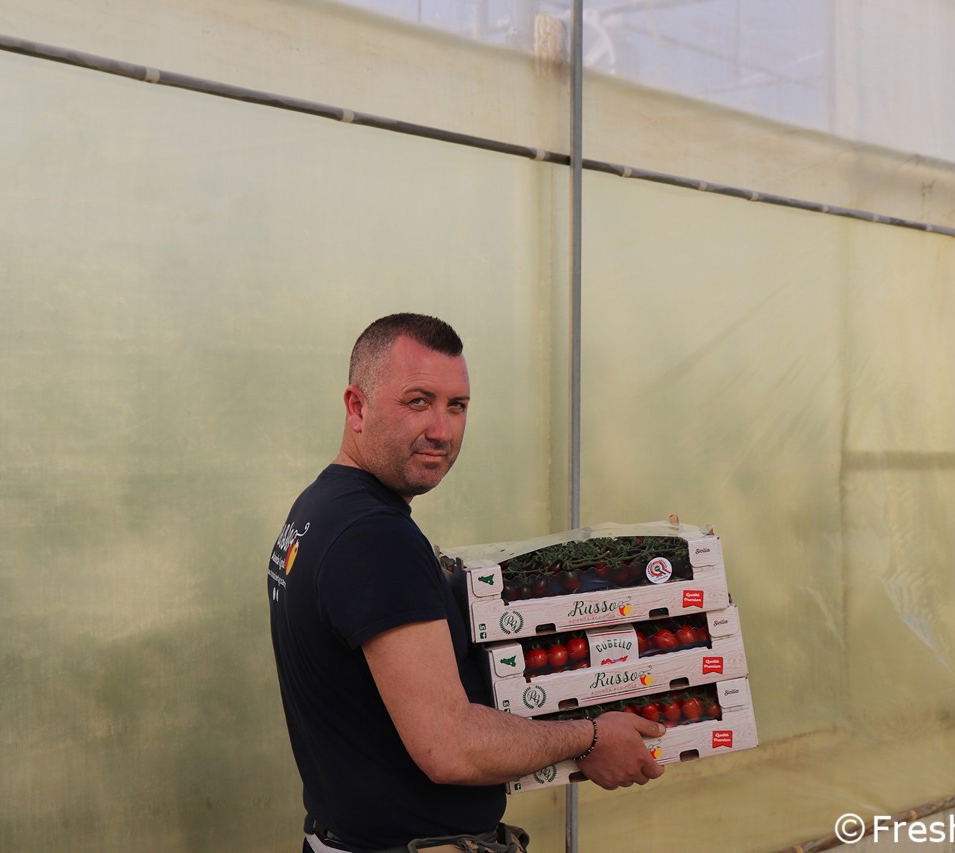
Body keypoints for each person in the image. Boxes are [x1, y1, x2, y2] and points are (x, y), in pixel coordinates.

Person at [267, 313, 665, 853]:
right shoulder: (375, 536)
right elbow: (450, 747)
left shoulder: (319, 508)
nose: (442, 430)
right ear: (356, 407)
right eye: (418, 401)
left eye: (456, 406)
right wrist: (590, 736)